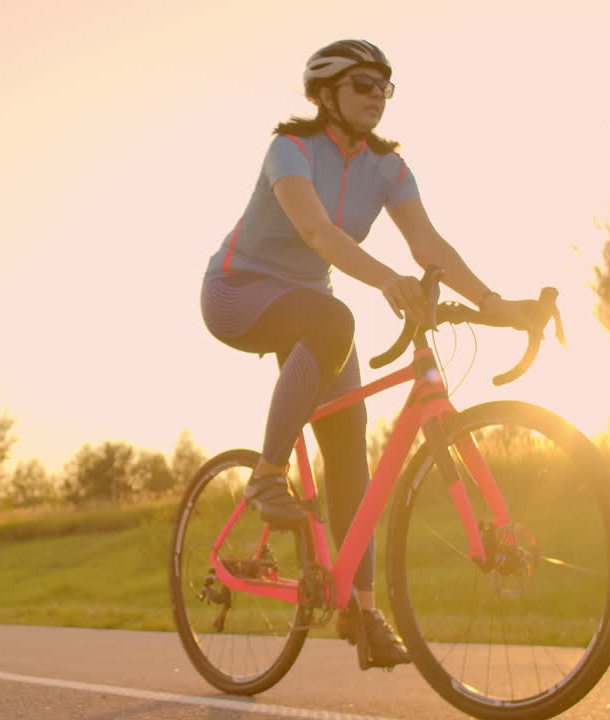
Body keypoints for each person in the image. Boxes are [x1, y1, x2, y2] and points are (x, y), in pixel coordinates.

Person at [200, 40, 529, 668]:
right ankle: (268, 476)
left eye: (384, 87)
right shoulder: (290, 150)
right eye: (361, 85)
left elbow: (428, 242)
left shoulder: (389, 168)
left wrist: (493, 301)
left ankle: (363, 611)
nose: (376, 96)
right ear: (325, 95)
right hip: (237, 292)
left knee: (350, 451)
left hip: (312, 313)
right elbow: (316, 232)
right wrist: (386, 282)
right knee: (334, 318)